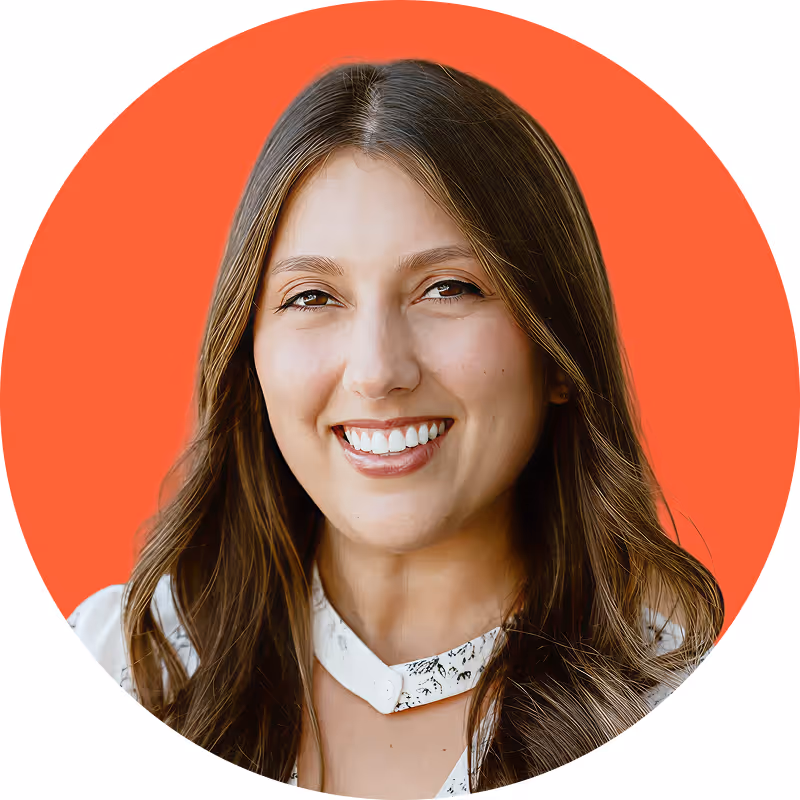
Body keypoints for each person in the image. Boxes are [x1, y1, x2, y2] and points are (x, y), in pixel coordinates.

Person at [68, 59, 723, 798]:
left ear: (559, 355)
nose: (377, 371)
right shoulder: (113, 673)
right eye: (313, 296)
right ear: (249, 354)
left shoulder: (694, 728)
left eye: (448, 288)